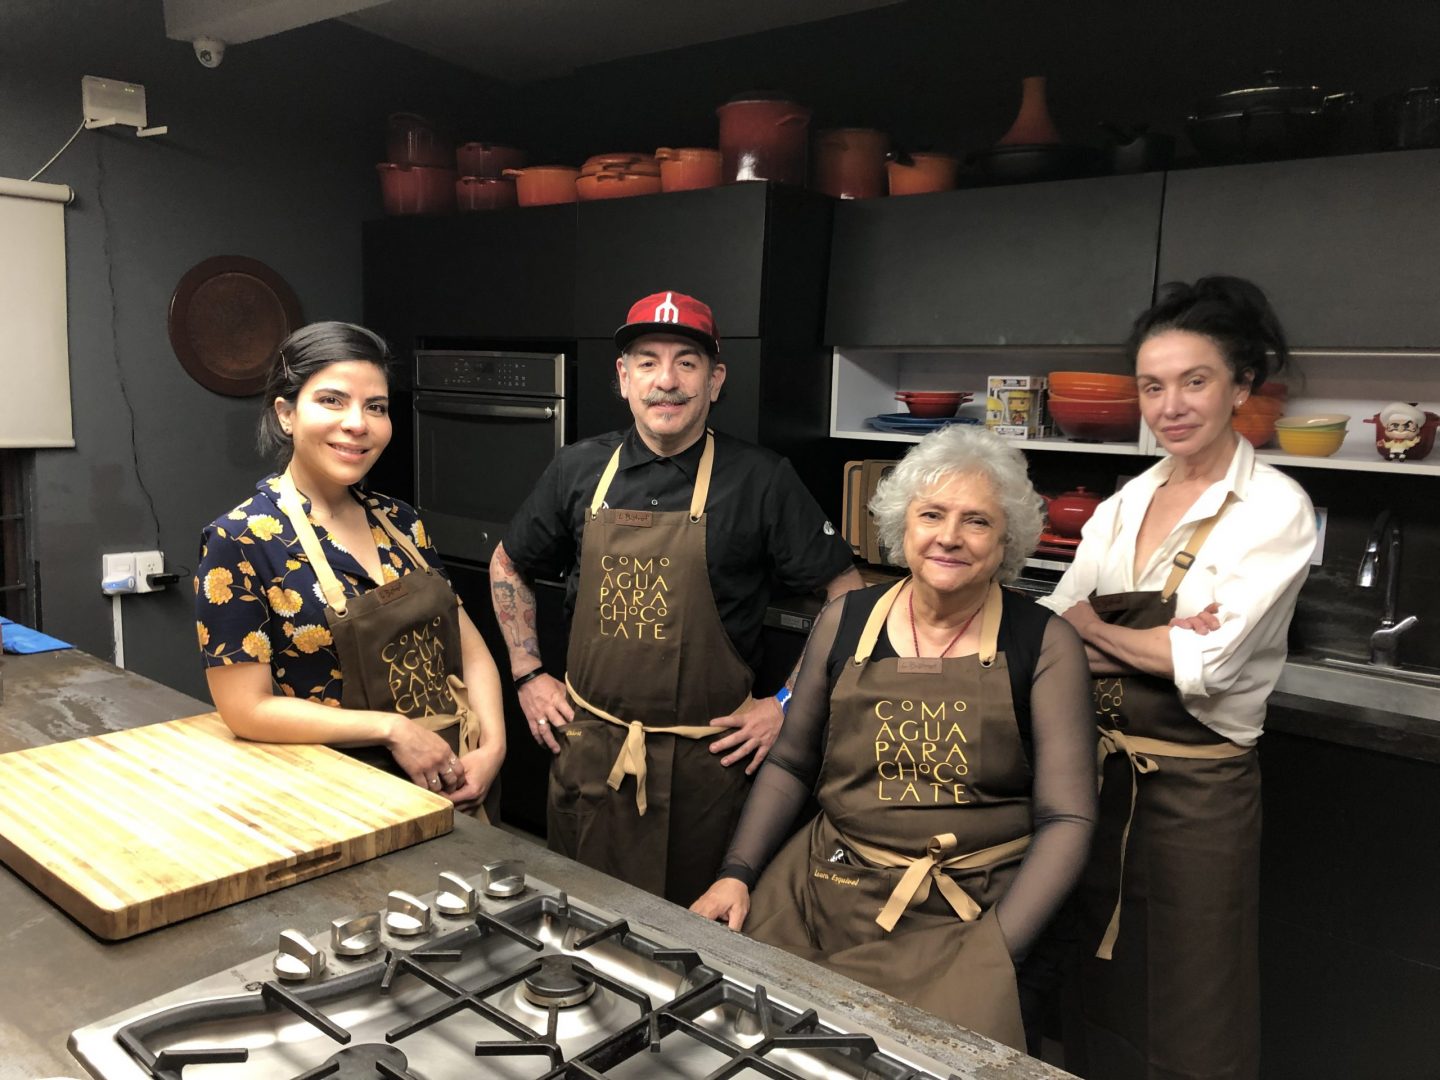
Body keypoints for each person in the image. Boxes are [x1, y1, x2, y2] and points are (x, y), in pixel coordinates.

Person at [691, 424, 1097, 1051]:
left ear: (1007, 539)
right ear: (902, 523)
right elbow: (792, 764)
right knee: (750, 1037)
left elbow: (1067, 817)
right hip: (824, 889)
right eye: (931, 514)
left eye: (977, 521)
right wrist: (737, 874)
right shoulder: (844, 621)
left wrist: (1000, 946)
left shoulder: (1044, 643)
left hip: (965, 917)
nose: (949, 536)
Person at [490, 289, 862, 906]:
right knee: (577, 918)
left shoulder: (762, 479)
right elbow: (509, 561)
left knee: (693, 935)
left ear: (715, 381)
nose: (666, 381)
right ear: (623, 378)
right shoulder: (577, 469)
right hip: (591, 751)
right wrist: (527, 672)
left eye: (686, 363)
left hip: (706, 766)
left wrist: (787, 703)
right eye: (648, 362)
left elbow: (846, 591)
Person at [1039, 277, 1317, 1080]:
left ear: (1241, 385)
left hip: (1199, 800)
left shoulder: (1274, 509)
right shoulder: (1125, 503)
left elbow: (1205, 663)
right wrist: (1142, 637)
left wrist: (1100, 628)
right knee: (1097, 985)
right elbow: (1053, 634)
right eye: (1152, 386)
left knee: (1195, 1003)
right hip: (1095, 780)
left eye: (1194, 381)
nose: (1171, 406)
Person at [195, 321, 505, 815]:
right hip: (343, 797)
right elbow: (246, 709)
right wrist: (392, 730)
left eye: (375, 407)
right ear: (286, 414)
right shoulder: (241, 540)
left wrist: (492, 747)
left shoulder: (401, 522)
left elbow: (470, 650)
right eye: (332, 401)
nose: (358, 423)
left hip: (459, 777)